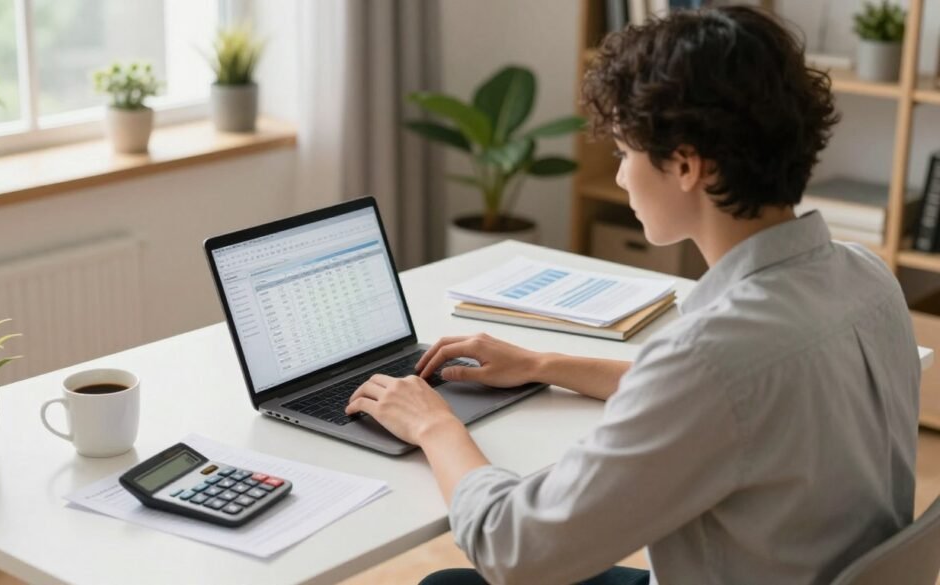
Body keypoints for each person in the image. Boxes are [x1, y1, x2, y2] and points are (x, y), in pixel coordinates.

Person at [345, 6, 921, 585]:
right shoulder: (867, 280)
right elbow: (736, 401)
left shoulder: (714, 358)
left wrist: (434, 425)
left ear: (687, 164)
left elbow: (512, 548)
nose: (620, 176)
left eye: (624, 152)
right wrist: (544, 364)